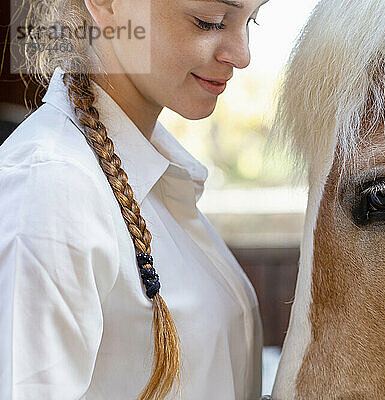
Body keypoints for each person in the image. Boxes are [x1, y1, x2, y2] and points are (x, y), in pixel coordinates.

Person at [0, 0, 267, 398]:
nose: (242, 55)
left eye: (251, 20)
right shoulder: (50, 188)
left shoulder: (155, 180)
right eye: (208, 21)